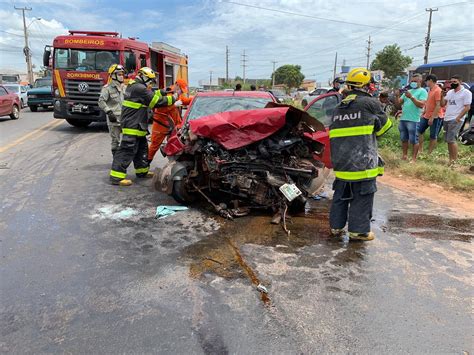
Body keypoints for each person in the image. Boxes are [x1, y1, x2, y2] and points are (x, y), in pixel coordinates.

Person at [329, 68, 392, 242]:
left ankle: (335, 227)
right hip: (362, 162)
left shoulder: (337, 107)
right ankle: (359, 231)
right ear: (367, 85)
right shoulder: (369, 103)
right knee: (362, 197)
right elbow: (385, 128)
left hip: (341, 163)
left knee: (340, 195)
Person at [109, 67, 176, 186]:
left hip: (137, 125)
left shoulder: (135, 86)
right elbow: (155, 101)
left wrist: (162, 92)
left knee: (141, 148)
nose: (151, 84)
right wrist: (174, 98)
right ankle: (116, 176)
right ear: (144, 77)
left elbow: (148, 94)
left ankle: (142, 171)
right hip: (132, 125)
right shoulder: (139, 88)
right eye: (150, 81)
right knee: (127, 150)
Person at [148, 78, 193, 162]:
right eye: (181, 90)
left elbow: (184, 100)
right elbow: (159, 110)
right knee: (154, 146)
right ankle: (144, 166)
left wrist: (195, 98)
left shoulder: (176, 94)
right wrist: (174, 105)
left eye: (182, 91)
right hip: (161, 125)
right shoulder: (166, 94)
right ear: (176, 85)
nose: (181, 92)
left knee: (176, 144)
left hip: (172, 126)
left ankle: (172, 160)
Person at [440, 74, 472, 166]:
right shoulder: (450, 92)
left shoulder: (466, 92)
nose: (452, 83)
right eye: (451, 82)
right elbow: (443, 104)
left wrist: (458, 118)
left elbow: (467, 107)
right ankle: (451, 160)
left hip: (456, 119)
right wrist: (442, 96)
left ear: (460, 82)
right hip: (447, 118)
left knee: (452, 140)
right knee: (448, 140)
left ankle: (454, 161)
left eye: (455, 82)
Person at [396, 73, 427, 162]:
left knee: (414, 140)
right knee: (404, 139)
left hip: (413, 119)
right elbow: (399, 103)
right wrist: (397, 95)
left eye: (415, 81)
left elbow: (421, 105)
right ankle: (404, 156)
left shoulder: (423, 91)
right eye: (412, 81)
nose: (413, 83)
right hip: (403, 118)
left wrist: (412, 97)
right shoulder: (408, 91)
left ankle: (413, 159)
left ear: (420, 81)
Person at [99, 64, 125, 156]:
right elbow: (101, 101)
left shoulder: (124, 87)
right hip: (114, 119)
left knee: (128, 140)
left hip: (125, 118)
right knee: (115, 141)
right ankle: (116, 160)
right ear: (113, 75)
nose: (121, 76)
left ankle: (124, 158)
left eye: (122, 74)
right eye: (119, 74)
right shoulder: (107, 88)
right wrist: (109, 112)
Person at [418, 74, 442, 154]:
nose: (426, 83)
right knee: (419, 131)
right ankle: (420, 149)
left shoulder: (438, 90)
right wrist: (424, 112)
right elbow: (428, 103)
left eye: (427, 81)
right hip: (426, 115)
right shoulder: (430, 90)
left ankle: (429, 153)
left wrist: (432, 117)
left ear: (430, 80)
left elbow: (438, 105)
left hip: (435, 117)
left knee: (433, 135)